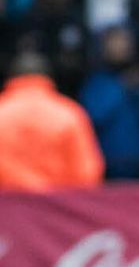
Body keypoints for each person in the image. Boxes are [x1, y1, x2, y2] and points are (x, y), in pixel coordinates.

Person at [0, 51, 104, 191]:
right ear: (49, 78)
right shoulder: (69, 113)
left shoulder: (3, 110)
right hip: (56, 206)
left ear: (10, 78)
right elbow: (87, 172)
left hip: (7, 206)